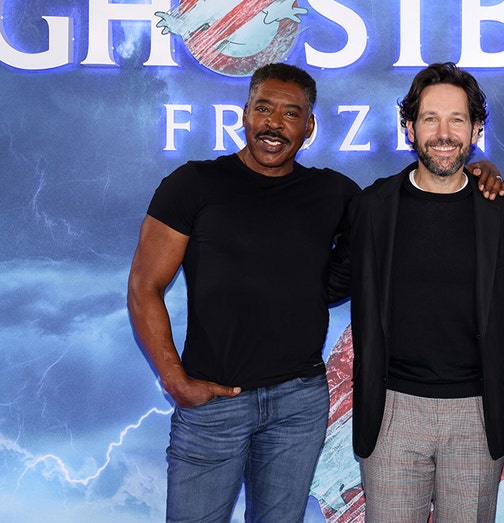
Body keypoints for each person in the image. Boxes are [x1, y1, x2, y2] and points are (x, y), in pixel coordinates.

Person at [127, 63, 361, 522]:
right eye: (264, 109)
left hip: (299, 404)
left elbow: (404, 207)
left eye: (291, 114)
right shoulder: (194, 184)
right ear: (245, 114)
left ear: (309, 126)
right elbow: (143, 286)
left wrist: (474, 171)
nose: (275, 124)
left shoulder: (332, 192)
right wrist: (176, 381)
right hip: (214, 403)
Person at [347, 62, 504, 522]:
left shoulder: (502, 209)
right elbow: (332, 279)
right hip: (392, 410)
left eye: (457, 119)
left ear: (476, 129)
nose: (444, 133)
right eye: (430, 118)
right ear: (409, 128)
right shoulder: (373, 206)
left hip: (476, 411)